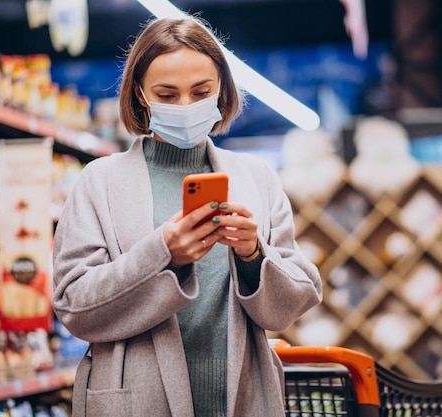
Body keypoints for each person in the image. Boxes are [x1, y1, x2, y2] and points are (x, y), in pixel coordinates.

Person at [51, 15, 323, 417]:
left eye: (201, 92)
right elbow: (74, 307)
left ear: (221, 90)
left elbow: (289, 306)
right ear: (140, 94)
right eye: (167, 93)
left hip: (243, 397)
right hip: (135, 400)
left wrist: (252, 255)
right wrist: (162, 254)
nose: (186, 106)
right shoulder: (99, 182)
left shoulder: (256, 178)